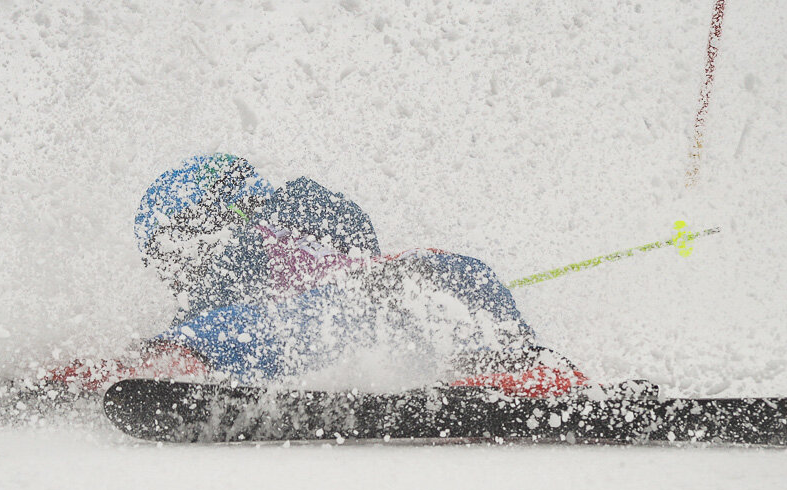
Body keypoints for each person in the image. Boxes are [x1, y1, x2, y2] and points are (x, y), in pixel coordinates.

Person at [53, 154, 587, 397]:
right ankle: (509, 362)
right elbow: (225, 317)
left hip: (370, 305)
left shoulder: (252, 231)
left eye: (170, 250)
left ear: (204, 220)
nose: (172, 270)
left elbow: (355, 239)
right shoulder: (242, 264)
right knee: (449, 273)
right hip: (334, 328)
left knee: (452, 271)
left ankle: (511, 362)